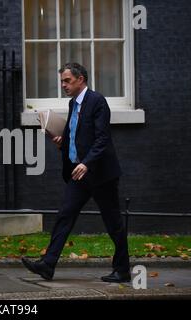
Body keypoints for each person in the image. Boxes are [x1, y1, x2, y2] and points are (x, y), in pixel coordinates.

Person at [22, 62, 131, 283]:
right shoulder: (73, 104)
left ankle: (122, 270)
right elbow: (79, 136)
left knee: (113, 223)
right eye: (62, 81)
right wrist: (62, 141)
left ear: (81, 79)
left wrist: (87, 163)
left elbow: (103, 138)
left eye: (67, 80)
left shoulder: (97, 101)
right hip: (78, 174)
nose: (63, 85)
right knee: (65, 215)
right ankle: (48, 265)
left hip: (100, 174)